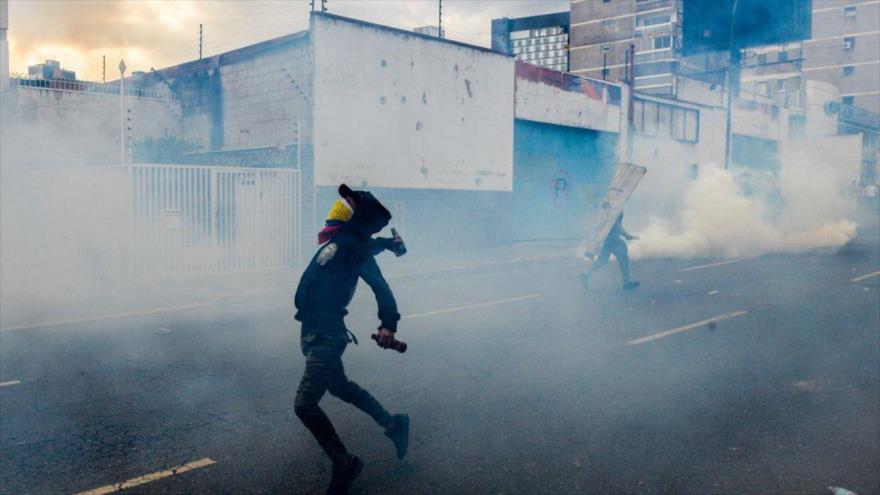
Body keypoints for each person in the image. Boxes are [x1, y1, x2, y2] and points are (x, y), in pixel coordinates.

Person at [294, 184, 409, 494]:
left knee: (305, 405)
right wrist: (390, 243)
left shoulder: (353, 247)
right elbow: (370, 244)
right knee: (340, 387)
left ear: (359, 218)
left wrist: (388, 324)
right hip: (315, 330)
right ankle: (393, 424)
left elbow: (381, 287)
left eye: (350, 203)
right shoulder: (347, 242)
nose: (340, 206)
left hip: (327, 334)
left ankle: (344, 462)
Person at [580, 211, 640, 291]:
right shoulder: (616, 209)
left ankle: (586, 274)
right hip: (614, 239)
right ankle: (626, 282)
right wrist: (626, 235)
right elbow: (616, 225)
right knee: (623, 260)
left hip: (606, 239)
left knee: (603, 260)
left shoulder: (606, 209)